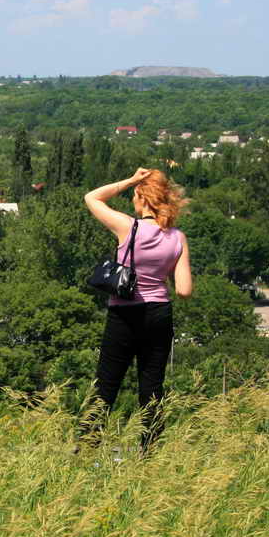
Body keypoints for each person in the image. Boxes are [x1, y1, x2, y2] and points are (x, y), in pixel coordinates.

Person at [82, 167, 192, 452]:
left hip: (124, 314)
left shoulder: (127, 227)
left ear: (142, 197)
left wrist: (130, 179)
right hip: (159, 314)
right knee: (152, 387)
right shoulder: (178, 238)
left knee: (106, 386)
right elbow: (183, 290)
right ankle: (150, 453)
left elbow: (92, 198)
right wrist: (160, 271)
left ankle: (86, 449)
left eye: (134, 194)